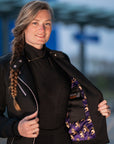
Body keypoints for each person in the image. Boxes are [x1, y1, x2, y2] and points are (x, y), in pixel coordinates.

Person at [0, 1, 111, 144]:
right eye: (35, 23)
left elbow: (76, 103)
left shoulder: (61, 60)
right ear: (23, 26)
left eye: (47, 23)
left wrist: (97, 109)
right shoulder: (5, 66)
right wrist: (17, 128)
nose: (42, 29)